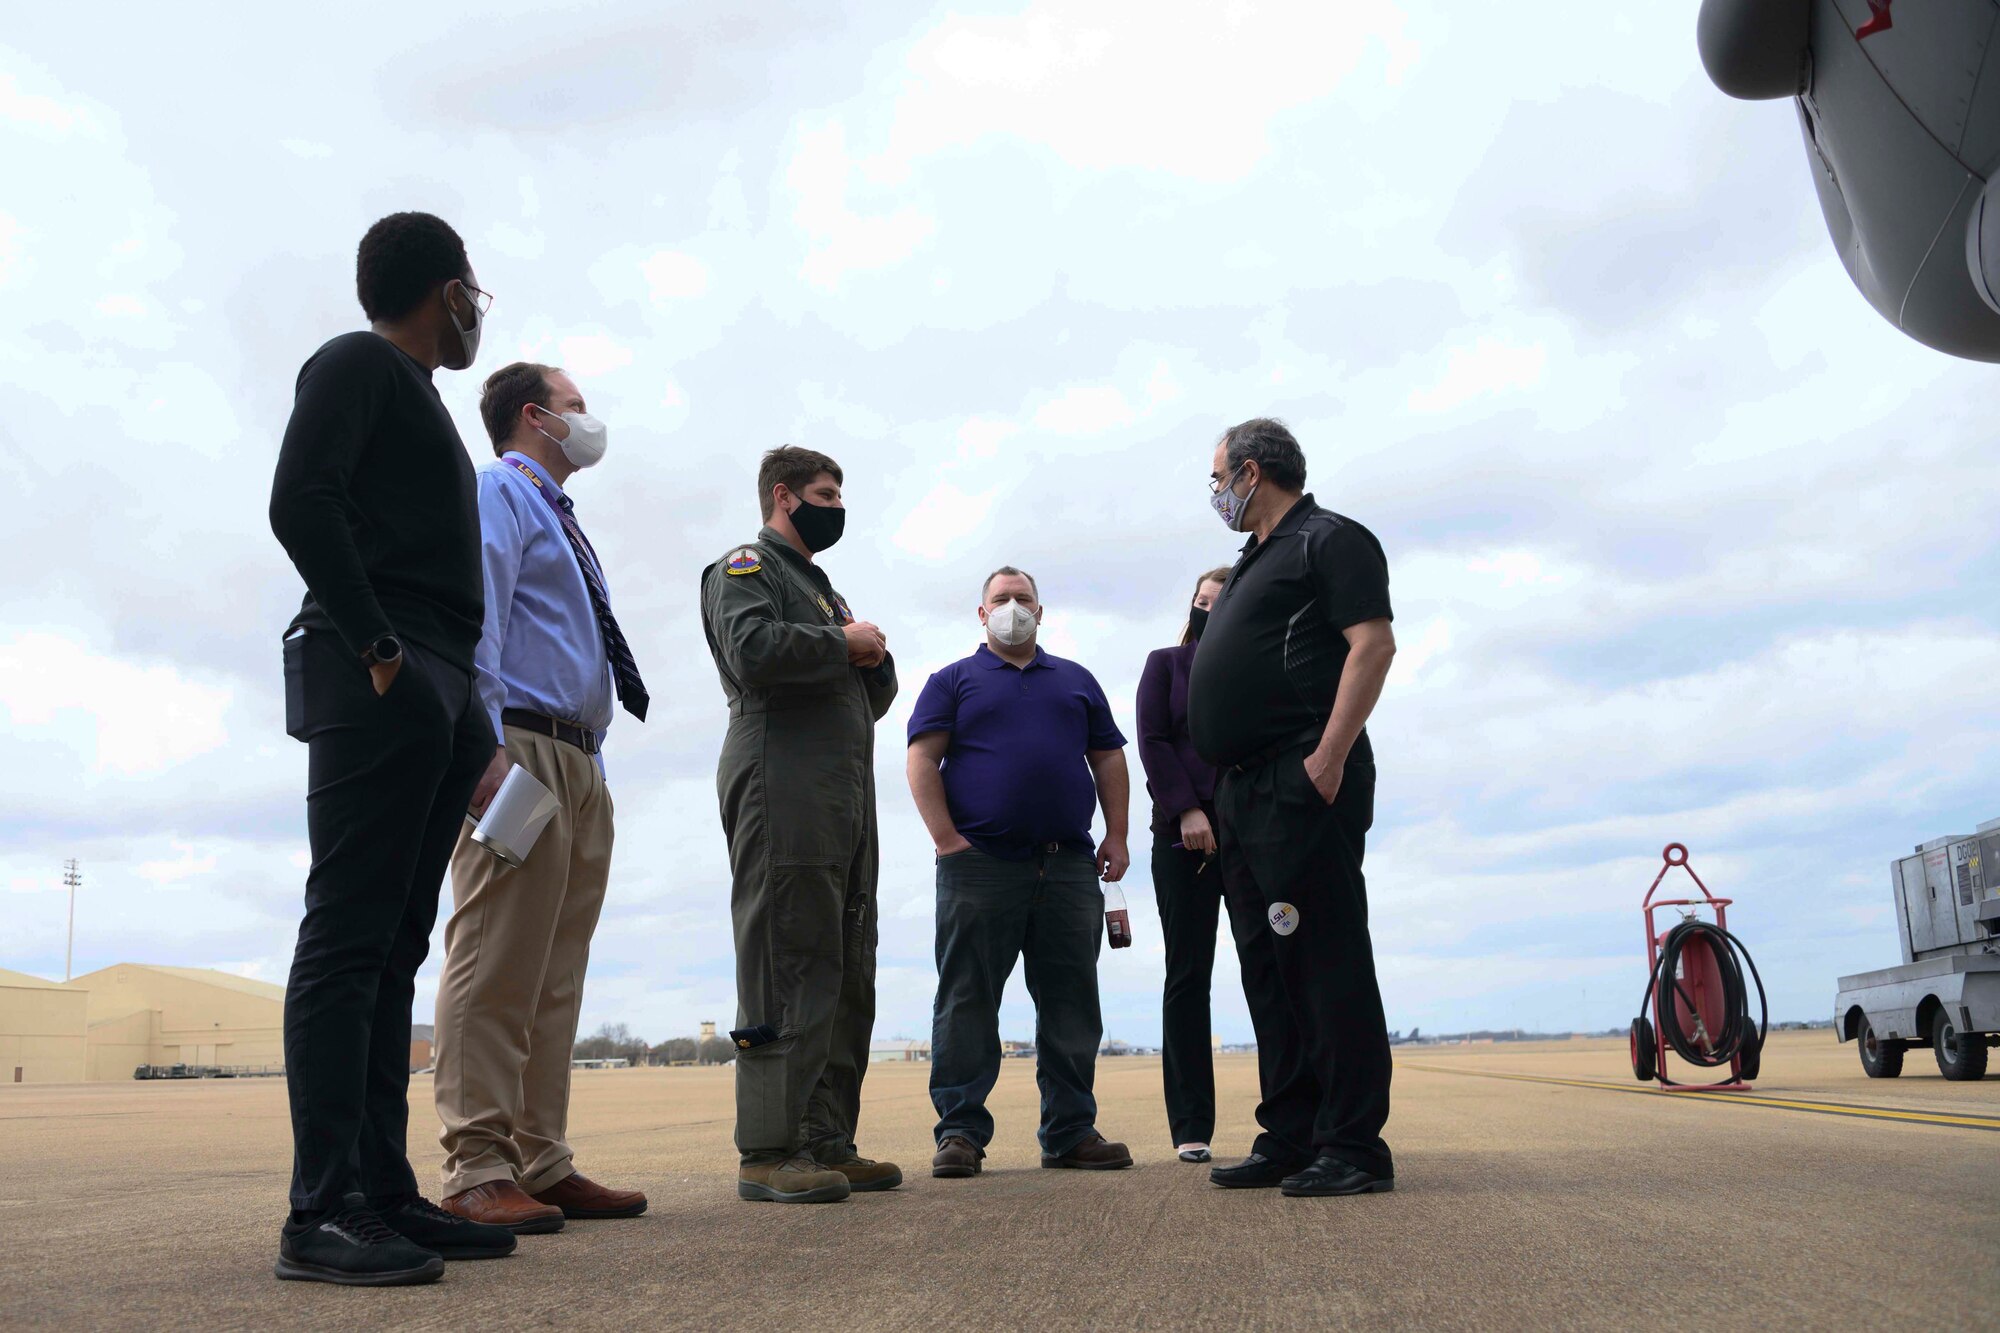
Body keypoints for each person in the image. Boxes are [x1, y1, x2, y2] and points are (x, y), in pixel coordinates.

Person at [268, 211, 516, 1284]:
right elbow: (300, 504)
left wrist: (462, 712)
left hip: (437, 683)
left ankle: (379, 1190)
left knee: (395, 947)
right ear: (441, 287)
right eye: (474, 290)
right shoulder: (358, 362)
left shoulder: (423, 401)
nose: (476, 312)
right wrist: (377, 649)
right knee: (347, 938)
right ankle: (318, 1209)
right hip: (381, 667)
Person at [431, 361, 649, 1234]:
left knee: (554, 971)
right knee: (494, 955)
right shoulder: (500, 492)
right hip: (518, 741)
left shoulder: (562, 518)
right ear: (533, 416)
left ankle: (540, 1155)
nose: (588, 421)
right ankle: (477, 1163)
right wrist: (480, 753)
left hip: (580, 756)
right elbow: (478, 617)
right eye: (576, 407)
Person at [1187, 417, 1399, 1199]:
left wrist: (1329, 756)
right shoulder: (1250, 561)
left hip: (1300, 779)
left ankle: (1352, 1143)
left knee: (1323, 959)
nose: (1216, 493)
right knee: (1268, 967)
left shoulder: (1329, 539)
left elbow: (1372, 644)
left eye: (1218, 479)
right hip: (1242, 790)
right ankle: (1291, 1131)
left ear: (1251, 471)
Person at [699, 446, 901, 1204]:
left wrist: (868, 653)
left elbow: (869, 697)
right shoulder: (747, 567)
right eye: (825, 491)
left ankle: (824, 1138)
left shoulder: (826, 591)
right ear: (783, 496)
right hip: (781, 781)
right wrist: (843, 644)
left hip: (841, 790)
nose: (837, 504)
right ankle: (770, 1147)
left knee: (846, 954)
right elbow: (751, 650)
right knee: (789, 951)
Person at [907, 567, 1135, 1179]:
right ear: (982, 614)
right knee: (967, 1000)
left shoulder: (1076, 681)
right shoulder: (952, 681)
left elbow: (1109, 756)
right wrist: (947, 841)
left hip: (1067, 866)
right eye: (1000, 600)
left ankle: (1070, 1132)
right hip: (978, 867)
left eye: (1023, 599)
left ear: (1042, 610)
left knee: (1070, 1002)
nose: (1013, 607)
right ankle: (959, 1133)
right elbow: (922, 759)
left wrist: (1116, 832)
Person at [1135, 565, 1233, 1164]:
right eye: (1200, 601)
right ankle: (1192, 1126)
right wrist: (1187, 811)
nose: (1206, 610)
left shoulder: (1256, 671)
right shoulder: (1164, 664)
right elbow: (1152, 740)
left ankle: (1293, 1116)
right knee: (1189, 977)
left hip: (1251, 836)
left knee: (1271, 971)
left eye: (1219, 603)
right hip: (1184, 842)